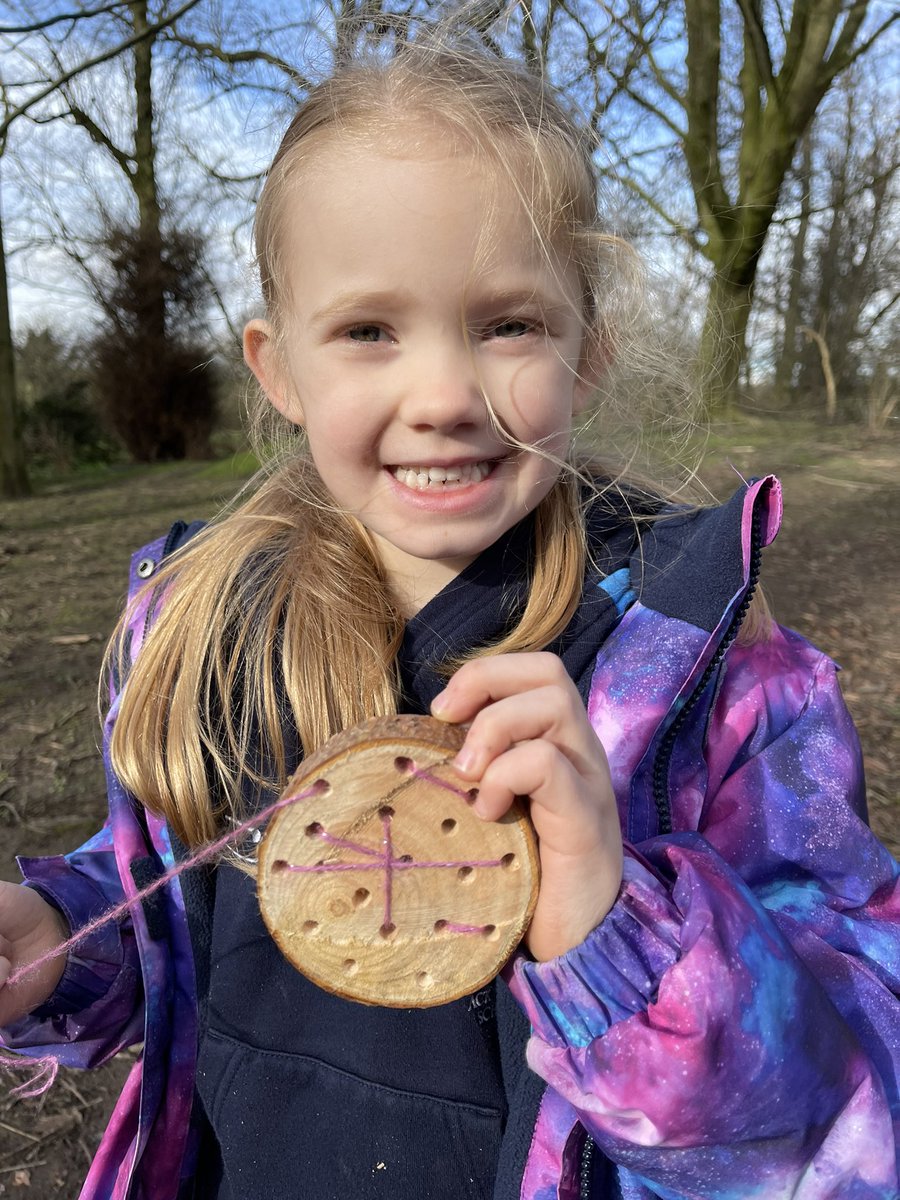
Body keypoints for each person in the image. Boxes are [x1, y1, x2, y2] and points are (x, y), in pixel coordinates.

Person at [0, 32, 897, 1200]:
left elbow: (853, 1101)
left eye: (508, 324)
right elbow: (168, 913)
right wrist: (56, 940)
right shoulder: (205, 632)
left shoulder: (711, 673)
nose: (443, 397)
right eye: (368, 330)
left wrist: (612, 935)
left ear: (586, 352)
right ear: (280, 370)